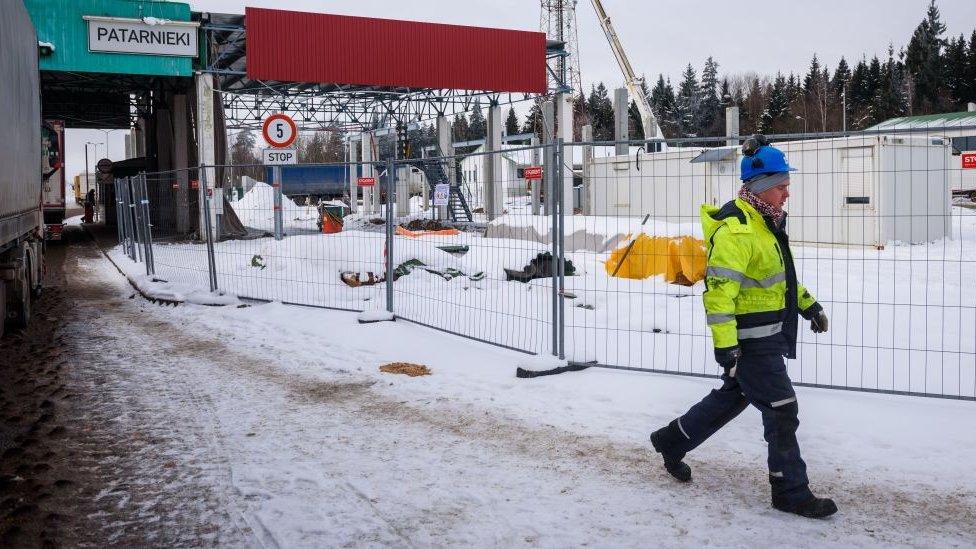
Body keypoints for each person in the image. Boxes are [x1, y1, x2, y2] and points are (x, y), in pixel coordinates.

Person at [649, 135, 836, 519]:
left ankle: (671, 440)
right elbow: (719, 295)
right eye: (781, 187)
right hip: (751, 342)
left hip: (767, 334)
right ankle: (790, 490)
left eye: (787, 186)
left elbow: (779, 277)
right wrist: (726, 347)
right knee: (782, 409)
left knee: (731, 399)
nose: (787, 193)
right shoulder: (737, 229)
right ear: (762, 187)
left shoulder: (764, 223)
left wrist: (808, 305)